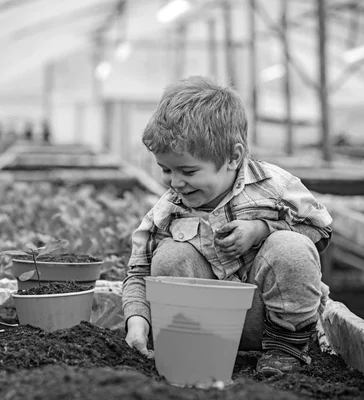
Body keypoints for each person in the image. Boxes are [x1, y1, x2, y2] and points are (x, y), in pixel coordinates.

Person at [122, 76, 333, 377]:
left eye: (188, 171)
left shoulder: (276, 187)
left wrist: (263, 229)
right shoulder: (167, 211)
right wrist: (137, 322)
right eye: (166, 170)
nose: (175, 182)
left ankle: (286, 350)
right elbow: (139, 274)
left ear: (233, 157)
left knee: (292, 246)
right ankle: (192, 350)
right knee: (170, 255)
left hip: (270, 320)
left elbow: (321, 231)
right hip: (203, 326)